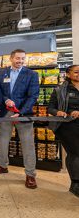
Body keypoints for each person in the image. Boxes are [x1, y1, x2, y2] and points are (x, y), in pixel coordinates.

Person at [0, 49, 40, 189]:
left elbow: (33, 96)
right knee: (2, 140)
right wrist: (6, 100)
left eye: (23, 58)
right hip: (5, 112)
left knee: (27, 143)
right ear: (11, 58)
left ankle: (30, 174)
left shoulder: (31, 74)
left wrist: (21, 111)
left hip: (23, 113)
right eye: (17, 58)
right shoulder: (1, 73)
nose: (20, 61)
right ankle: (3, 165)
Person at [48, 64, 79, 197]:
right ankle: (76, 183)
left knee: (74, 154)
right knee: (76, 152)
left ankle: (74, 184)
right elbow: (51, 108)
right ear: (68, 74)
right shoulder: (59, 89)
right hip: (66, 126)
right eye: (77, 72)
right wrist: (59, 112)